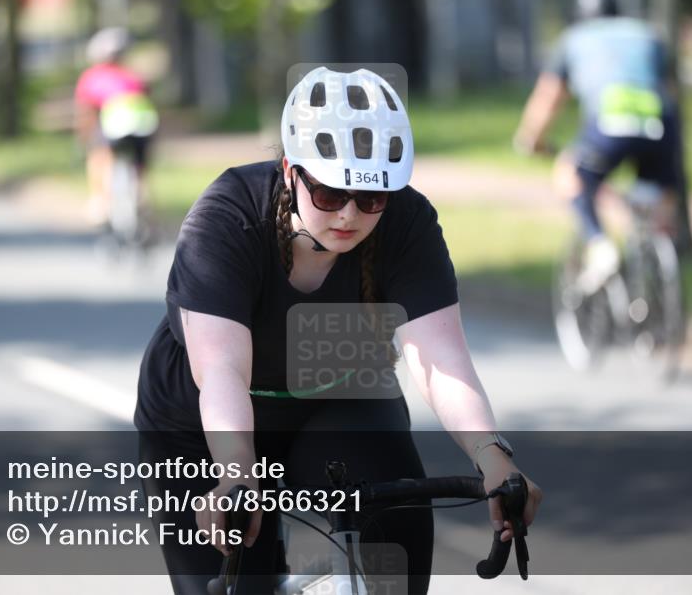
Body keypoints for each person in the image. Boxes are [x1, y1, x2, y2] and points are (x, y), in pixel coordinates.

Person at [136, 66, 542, 594]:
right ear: (290, 171)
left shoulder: (407, 222)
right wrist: (236, 474)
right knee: (235, 581)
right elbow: (221, 371)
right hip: (202, 418)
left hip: (334, 397)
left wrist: (493, 458)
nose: (350, 214)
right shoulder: (228, 213)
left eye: (372, 198)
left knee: (397, 541)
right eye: (330, 193)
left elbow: (440, 358)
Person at [513, 0, 683, 293]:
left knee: (570, 173)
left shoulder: (573, 39)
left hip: (610, 123)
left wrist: (531, 139)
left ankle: (599, 245)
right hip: (660, 124)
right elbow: (668, 88)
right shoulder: (647, 33)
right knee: (652, 205)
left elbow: (548, 98)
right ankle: (658, 275)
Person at [74, 27, 158, 227]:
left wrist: (84, 138)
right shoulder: (133, 75)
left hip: (117, 119)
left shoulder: (91, 77)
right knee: (139, 164)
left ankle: (100, 201)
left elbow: (85, 114)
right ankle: (139, 193)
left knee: (98, 154)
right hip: (144, 120)